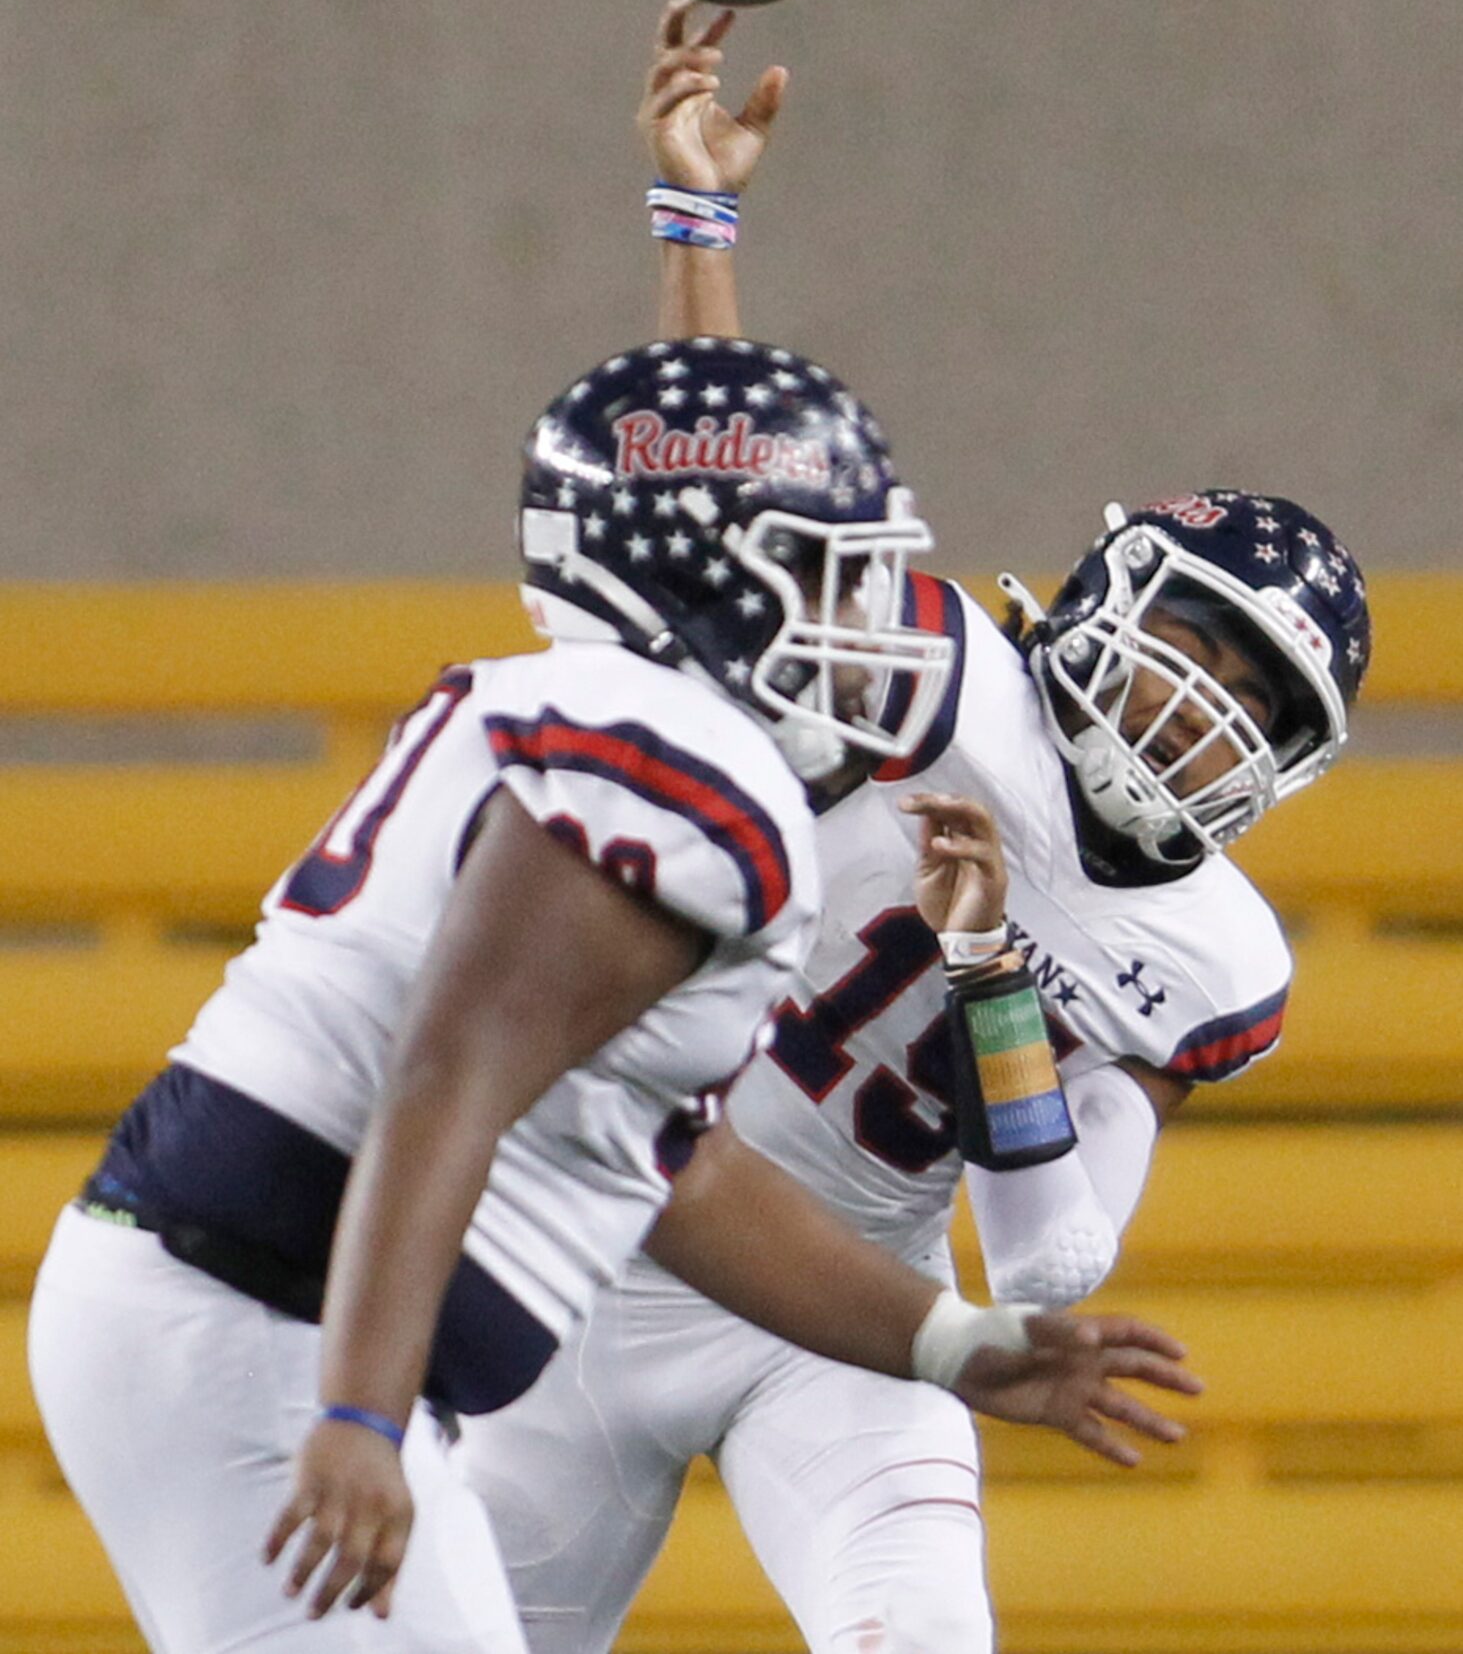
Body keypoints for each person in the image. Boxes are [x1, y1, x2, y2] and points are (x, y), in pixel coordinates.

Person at [27, 339, 1198, 1654]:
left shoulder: (640, 735)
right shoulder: (686, 761)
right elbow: (451, 1064)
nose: (877, 619)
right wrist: (357, 1408)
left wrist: (952, 1345)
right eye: (837, 572)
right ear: (706, 574)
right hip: (261, 1323)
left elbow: (672, 1169)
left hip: (241, 1312)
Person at [458, 3, 1373, 1654]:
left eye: (1253, 692)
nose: (1195, 700)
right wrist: (699, 219)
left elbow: (1050, 1264)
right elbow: (711, 528)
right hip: (617, 1224)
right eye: (1193, 640)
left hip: (850, 1312)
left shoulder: (1215, 957)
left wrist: (993, 972)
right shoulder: (941, 669)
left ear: (1290, 764)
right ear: (1107, 591)